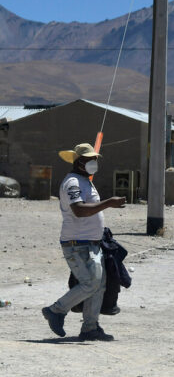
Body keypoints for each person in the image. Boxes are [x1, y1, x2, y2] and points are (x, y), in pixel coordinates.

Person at [42, 143, 126, 341]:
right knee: (90, 284)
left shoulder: (85, 181)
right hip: (76, 243)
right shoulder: (72, 182)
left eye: (95, 159)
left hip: (91, 243)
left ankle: (90, 328)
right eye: (89, 160)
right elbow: (79, 210)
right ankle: (56, 310)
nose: (94, 163)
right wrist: (108, 203)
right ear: (79, 162)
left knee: (99, 285)